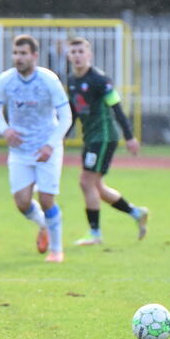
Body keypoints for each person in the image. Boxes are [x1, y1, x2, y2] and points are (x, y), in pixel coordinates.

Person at [0, 34, 72, 262]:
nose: (18, 58)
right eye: (15, 53)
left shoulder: (48, 80)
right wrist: (4, 130)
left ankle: (56, 250)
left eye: (23, 53)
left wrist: (51, 145)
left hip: (47, 149)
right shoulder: (6, 80)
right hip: (20, 151)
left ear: (35, 55)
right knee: (22, 203)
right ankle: (44, 225)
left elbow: (66, 116)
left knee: (46, 200)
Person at [64, 37, 149, 245]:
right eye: (73, 52)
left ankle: (95, 233)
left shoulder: (100, 80)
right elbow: (74, 110)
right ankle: (136, 213)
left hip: (103, 137)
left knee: (86, 182)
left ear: (89, 54)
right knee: (97, 186)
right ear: (68, 55)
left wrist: (129, 137)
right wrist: (63, 135)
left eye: (80, 52)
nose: (77, 56)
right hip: (90, 138)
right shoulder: (72, 80)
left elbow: (116, 108)